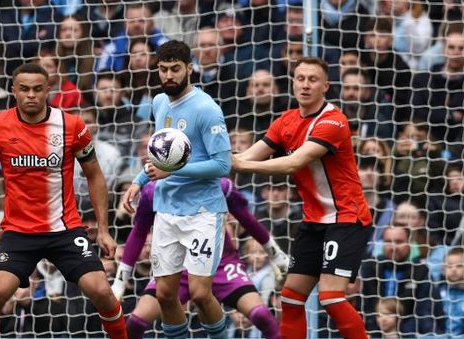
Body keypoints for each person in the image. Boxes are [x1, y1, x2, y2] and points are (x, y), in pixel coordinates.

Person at [0, 63, 127, 339]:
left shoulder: (73, 126)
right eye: (24, 89)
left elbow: (95, 175)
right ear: (13, 91)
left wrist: (103, 229)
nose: (30, 95)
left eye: (37, 89)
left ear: (48, 91)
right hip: (19, 232)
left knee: (102, 291)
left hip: (64, 230)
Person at [232, 56, 373, 339]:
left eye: (313, 80)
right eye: (300, 78)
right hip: (314, 221)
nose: (305, 85)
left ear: (325, 86)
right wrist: (207, 164)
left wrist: (238, 164)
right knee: (291, 296)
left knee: (331, 297)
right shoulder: (285, 121)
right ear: (293, 82)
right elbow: (246, 156)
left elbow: (292, 164)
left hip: (346, 218)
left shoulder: (334, 121)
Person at [121, 40, 233, 339]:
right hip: (167, 211)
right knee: (166, 294)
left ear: (189, 69)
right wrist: (138, 181)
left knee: (198, 293)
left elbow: (223, 165)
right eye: (163, 70)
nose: (168, 75)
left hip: (202, 212)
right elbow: (162, 154)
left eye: (175, 69)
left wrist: (171, 170)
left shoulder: (206, 109)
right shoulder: (158, 102)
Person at [115, 178, 286, 339]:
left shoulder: (221, 186)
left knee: (261, 315)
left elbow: (248, 221)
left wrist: (277, 256)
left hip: (221, 262)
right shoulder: (153, 191)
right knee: (136, 321)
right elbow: (139, 232)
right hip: (178, 265)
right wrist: (120, 282)